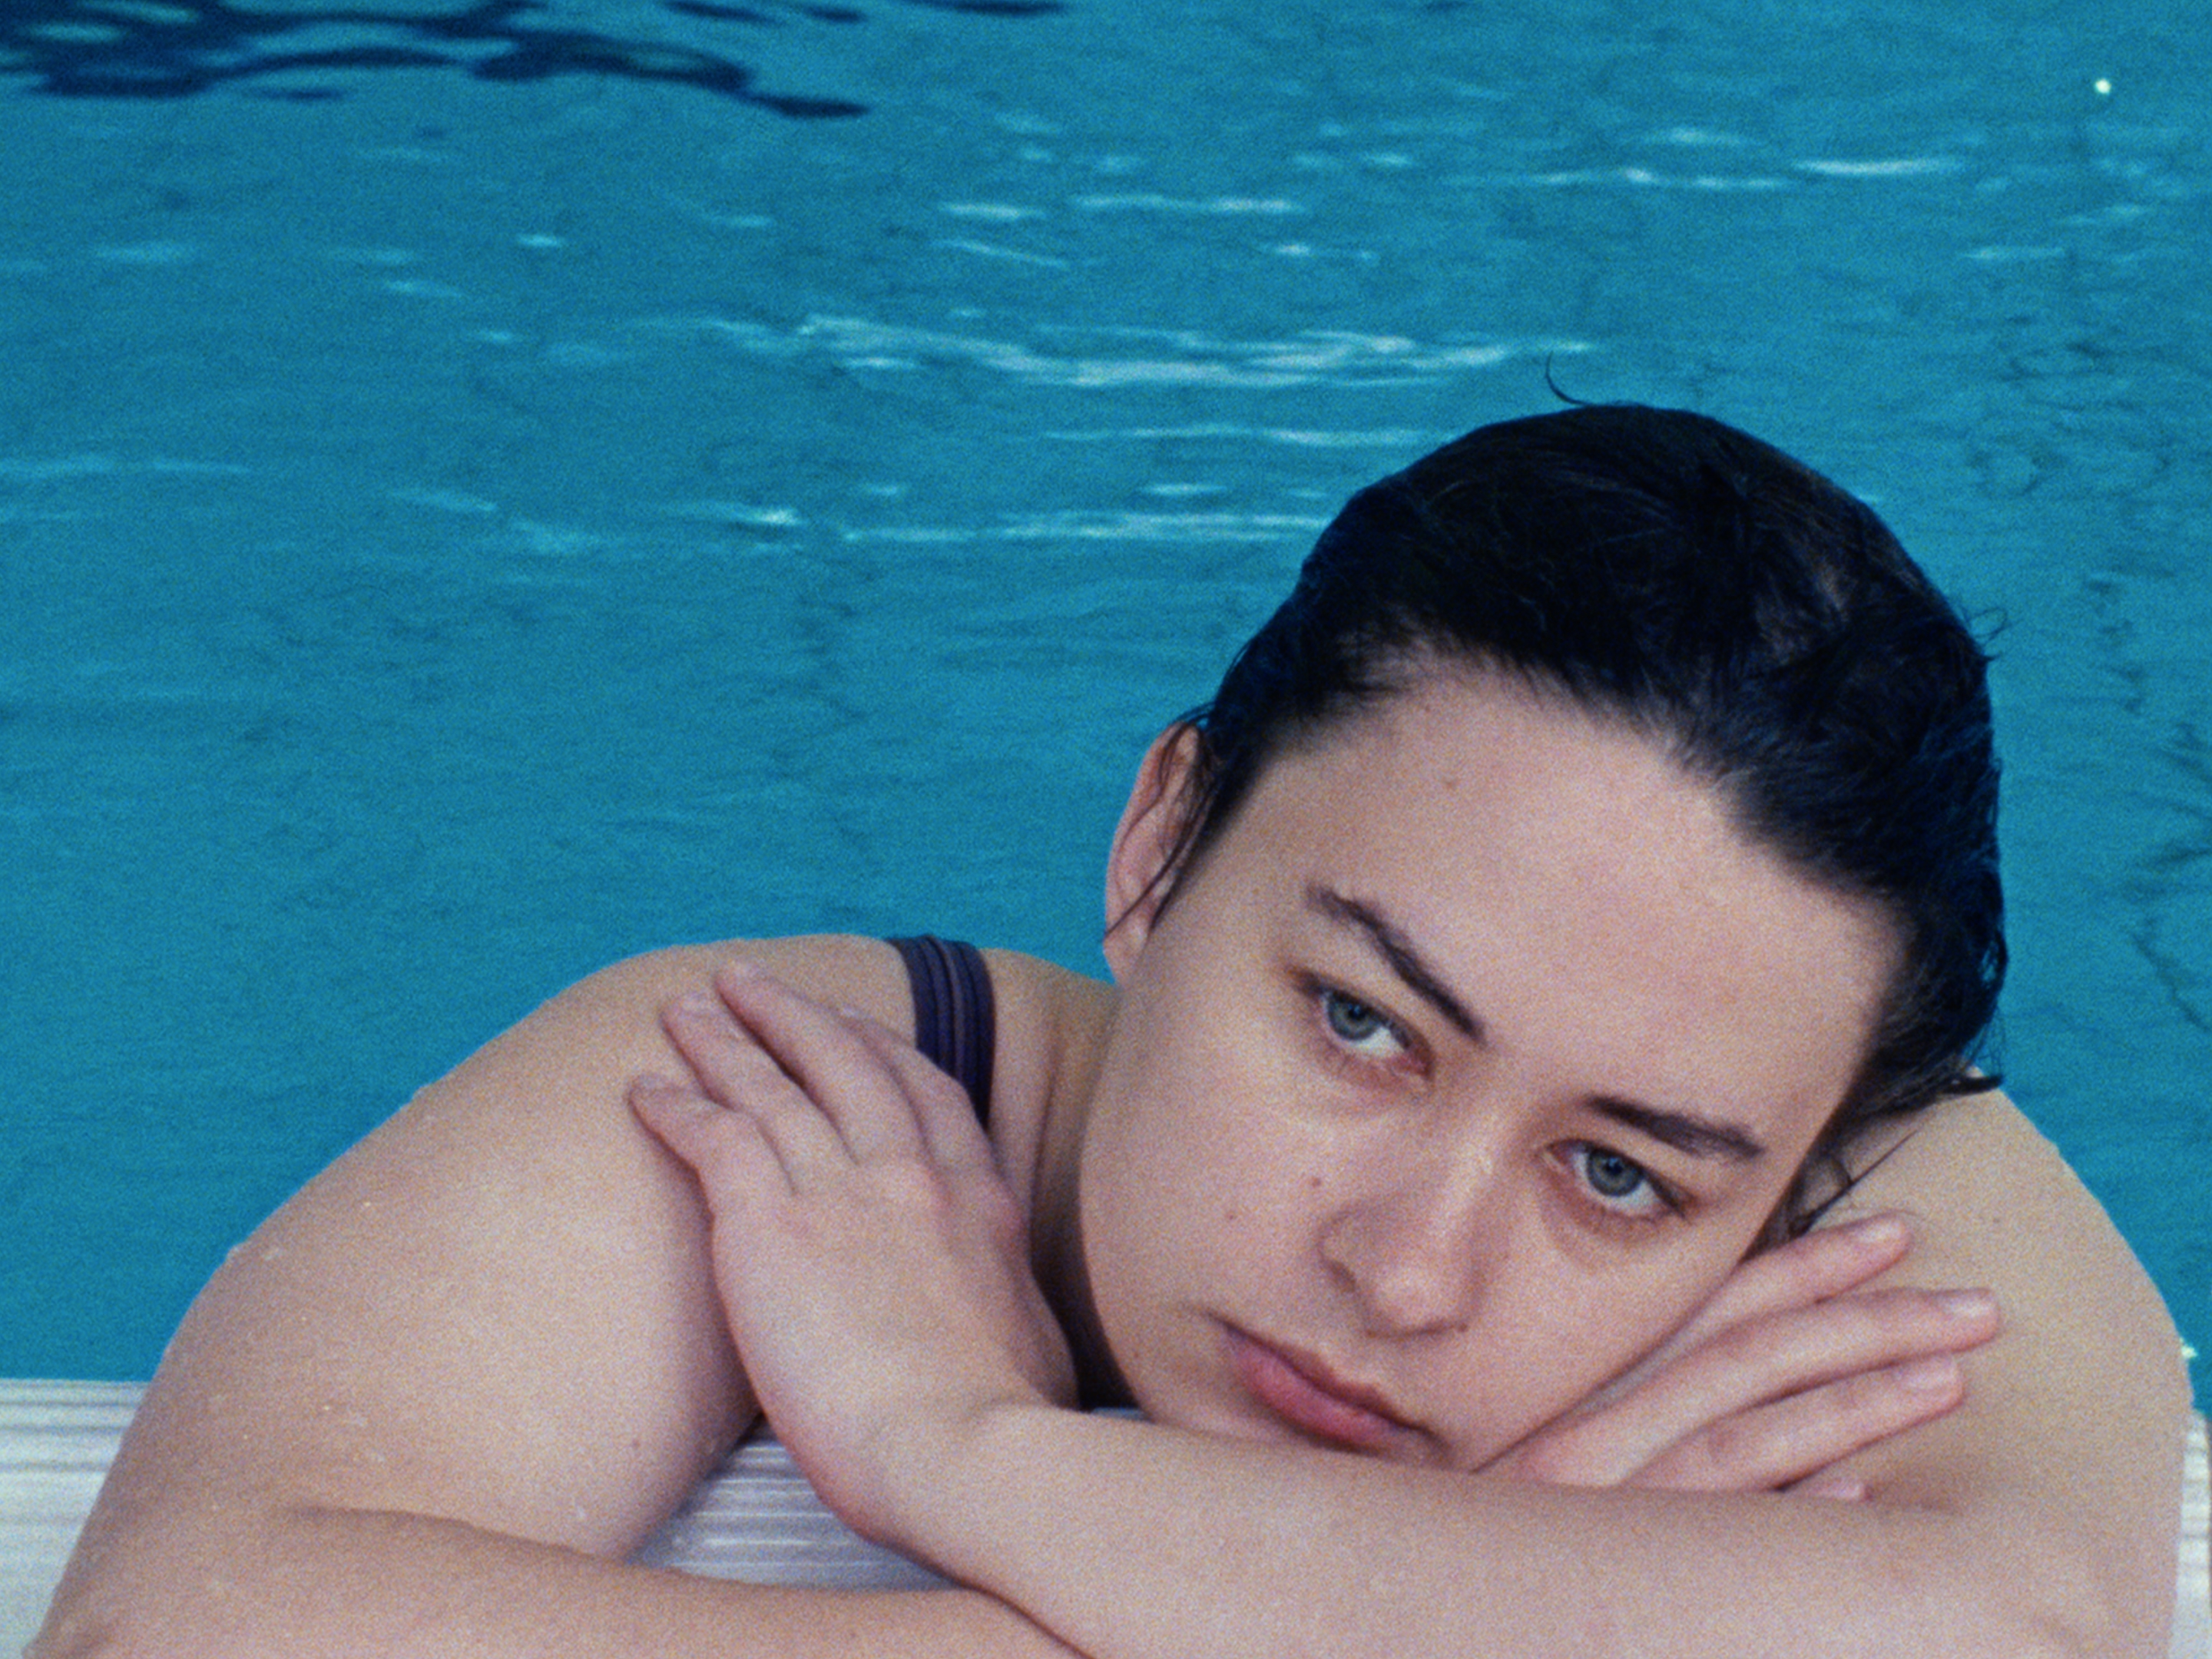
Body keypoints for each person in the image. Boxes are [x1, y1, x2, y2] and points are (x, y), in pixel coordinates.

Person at [36, 406, 2190, 1657]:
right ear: (1161, 848)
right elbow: (173, 1637)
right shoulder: (807, 1102)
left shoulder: (1820, 1104)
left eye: (1616, 1177)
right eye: (1360, 1023)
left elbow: (2016, 1639)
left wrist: (967, 1456)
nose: (1408, 1272)